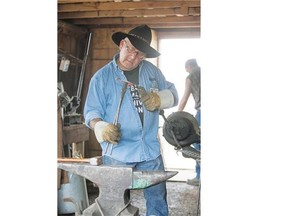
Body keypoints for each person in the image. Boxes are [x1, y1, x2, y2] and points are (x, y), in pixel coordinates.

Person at [84, 24, 178, 216]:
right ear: (122, 44)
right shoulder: (102, 78)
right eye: (130, 50)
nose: (133, 58)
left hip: (149, 151)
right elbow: (90, 113)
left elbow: (174, 94)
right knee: (116, 205)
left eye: (140, 55)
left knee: (157, 200)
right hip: (118, 153)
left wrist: (161, 98)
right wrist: (101, 127)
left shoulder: (153, 73)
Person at [178, 58, 201, 186]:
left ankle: (200, 177)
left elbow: (185, 97)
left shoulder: (190, 77)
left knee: (198, 147)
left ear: (189, 66)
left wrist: (177, 114)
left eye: (186, 69)